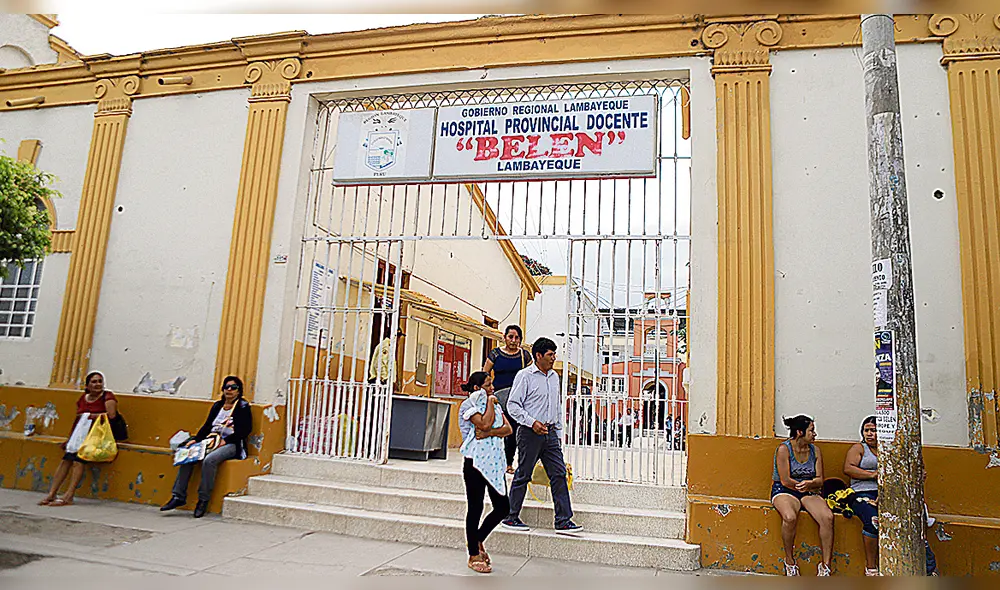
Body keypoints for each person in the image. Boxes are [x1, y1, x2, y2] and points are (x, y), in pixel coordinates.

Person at [502, 337, 581, 533]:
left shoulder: (554, 377)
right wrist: (532, 422)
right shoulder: (525, 376)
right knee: (523, 474)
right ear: (538, 355)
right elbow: (513, 405)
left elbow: (557, 407)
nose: (554, 358)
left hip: (550, 433)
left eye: (554, 354)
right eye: (550, 354)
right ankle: (510, 516)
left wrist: (559, 432)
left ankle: (563, 520)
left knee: (559, 474)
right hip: (530, 433)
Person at [161, 375, 252, 518]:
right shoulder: (217, 406)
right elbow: (207, 426)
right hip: (211, 440)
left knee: (210, 460)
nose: (229, 390)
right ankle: (178, 496)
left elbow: (245, 431)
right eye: (226, 387)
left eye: (233, 387)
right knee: (188, 456)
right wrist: (196, 440)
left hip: (232, 444)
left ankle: (203, 500)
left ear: (239, 391)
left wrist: (226, 440)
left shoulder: (243, 407)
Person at [458, 371, 512, 574]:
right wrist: (490, 403)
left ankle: (477, 538)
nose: (492, 388)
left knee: (503, 507)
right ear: (476, 388)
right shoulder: (469, 406)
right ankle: (473, 554)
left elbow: (507, 429)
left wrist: (490, 433)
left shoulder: (495, 404)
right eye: (488, 385)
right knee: (475, 507)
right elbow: (484, 423)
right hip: (474, 463)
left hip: (494, 462)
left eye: (492, 384)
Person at [39, 371, 118, 507]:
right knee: (66, 460)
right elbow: (78, 420)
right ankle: (52, 493)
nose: (98, 384)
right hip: (80, 435)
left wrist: (92, 416)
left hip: (97, 436)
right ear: (87, 385)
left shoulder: (108, 397)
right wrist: (70, 438)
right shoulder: (83, 398)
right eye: (94, 382)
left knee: (78, 461)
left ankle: (69, 495)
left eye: (100, 381)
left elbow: (111, 416)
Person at [771, 414, 834, 576]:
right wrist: (801, 485)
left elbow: (820, 479)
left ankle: (825, 565)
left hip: (809, 490)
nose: (814, 434)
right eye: (811, 430)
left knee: (827, 517)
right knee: (790, 517)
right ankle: (789, 561)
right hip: (785, 490)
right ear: (800, 432)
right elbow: (785, 480)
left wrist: (810, 484)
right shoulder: (784, 449)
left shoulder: (815, 451)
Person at [482, 325, 532, 474]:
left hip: (517, 400)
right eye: (510, 337)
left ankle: (508, 463)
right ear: (504, 337)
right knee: (497, 429)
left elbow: (532, 376)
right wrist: (486, 394)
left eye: (517, 337)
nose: (513, 340)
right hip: (498, 399)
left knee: (513, 432)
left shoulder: (525, 355)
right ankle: (493, 461)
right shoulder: (495, 354)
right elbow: (484, 374)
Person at [843, 416, 879, 576]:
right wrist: (872, 475)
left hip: (883, 493)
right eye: (866, 430)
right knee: (873, 521)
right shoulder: (859, 448)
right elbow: (848, 469)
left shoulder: (889, 449)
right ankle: (871, 567)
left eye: (874, 430)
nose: (869, 434)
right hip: (861, 492)